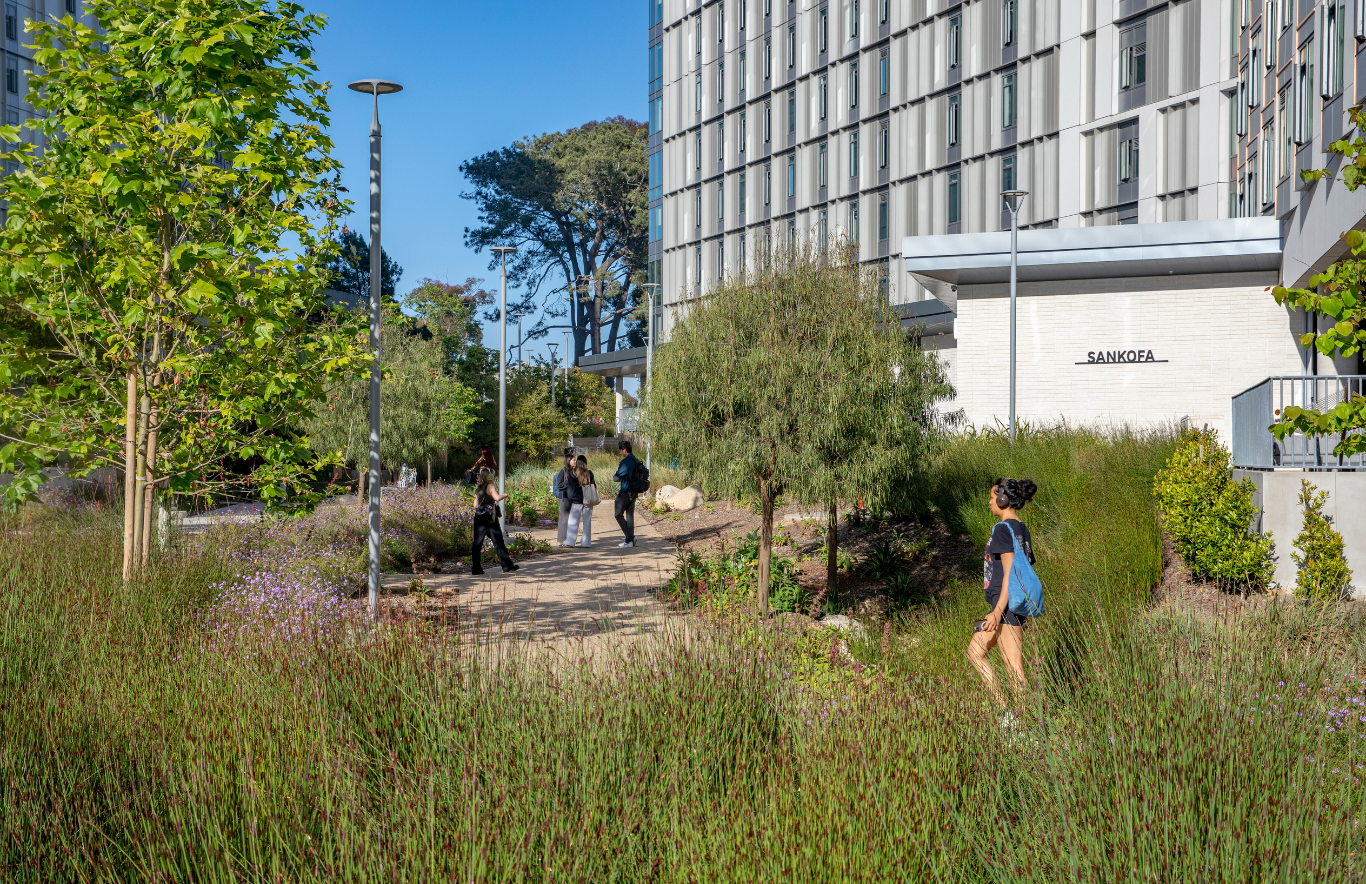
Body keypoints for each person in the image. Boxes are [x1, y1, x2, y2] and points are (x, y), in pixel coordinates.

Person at [966, 477, 1038, 707]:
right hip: (1009, 605)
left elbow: (1010, 573)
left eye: (992, 496)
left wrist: (997, 612)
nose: (989, 501)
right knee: (975, 651)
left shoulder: (1002, 529)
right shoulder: (1021, 528)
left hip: (1006, 607)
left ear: (1003, 499)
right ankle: (1005, 710)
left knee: (1014, 668)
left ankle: (1023, 726)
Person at [471, 468, 518, 575]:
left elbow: (475, 505)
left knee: (477, 544)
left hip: (479, 518)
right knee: (498, 542)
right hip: (489, 518)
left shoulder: (478, 489)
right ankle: (507, 566)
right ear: (488, 476)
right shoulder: (490, 486)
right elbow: (497, 498)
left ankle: (476, 568)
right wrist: (505, 495)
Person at [612, 439, 640, 548]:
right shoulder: (636, 460)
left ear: (624, 450)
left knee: (618, 514)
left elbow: (616, 477)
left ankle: (630, 538)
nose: (620, 453)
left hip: (625, 491)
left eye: (621, 450)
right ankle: (630, 540)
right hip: (634, 492)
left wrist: (620, 479)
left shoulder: (625, 462)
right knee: (629, 516)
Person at [562, 455, 596, 548]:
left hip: (576, 501)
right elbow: (593, 486)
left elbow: (570, 489)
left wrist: (570, 499)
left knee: (573, 522)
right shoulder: (589, 473)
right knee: (587, 522)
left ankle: (570, 542)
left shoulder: (573, 473)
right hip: (587, 501)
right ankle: (586, 543)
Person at [552, 451, 574, 545]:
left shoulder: (573, 472)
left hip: (572, 498)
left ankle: (569, 539)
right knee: (564, 519)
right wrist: (570, 483)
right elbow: (559, 485)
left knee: (571, 519)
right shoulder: (563, 471)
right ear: (569, 461)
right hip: (564, 498)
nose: (575, 461)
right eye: (573, 460)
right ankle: (562, 540)